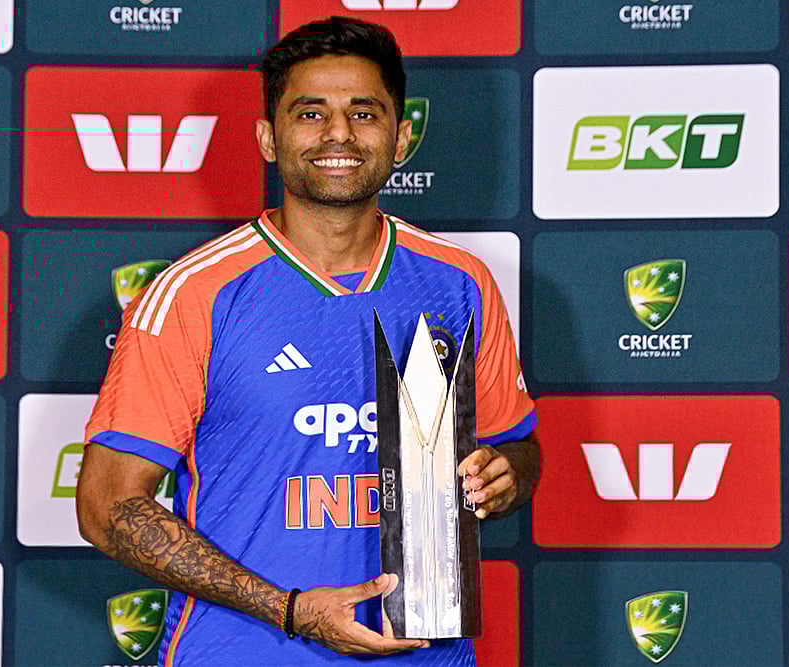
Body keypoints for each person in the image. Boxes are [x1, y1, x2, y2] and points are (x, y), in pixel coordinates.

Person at [76, 16, 540, 666]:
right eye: (311, 113)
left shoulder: (459, 284)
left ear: (402, 137)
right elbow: (108, 504)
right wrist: (291, 610)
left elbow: (515, 445)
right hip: (242, 652)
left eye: (365, 112)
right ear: (269, 137)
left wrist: (505, 476)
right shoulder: (195, 293)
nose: (339, 133)